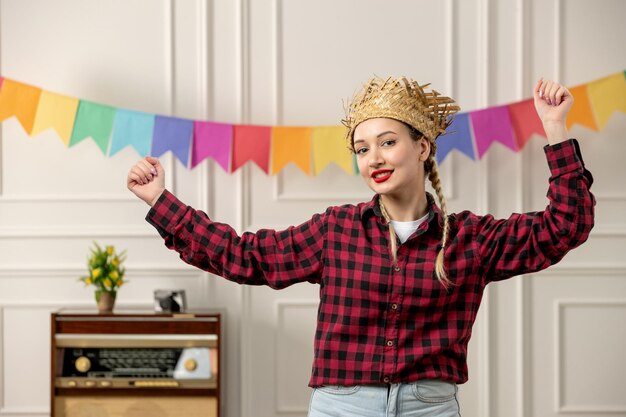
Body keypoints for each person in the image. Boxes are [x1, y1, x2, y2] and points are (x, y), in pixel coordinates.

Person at [127, 76, 595, 416]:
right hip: (341, 407)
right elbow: (244, 255)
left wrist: (554, 127)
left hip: (429, 408)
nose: (374, 158)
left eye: (387, 142)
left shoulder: (472, 238)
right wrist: (161, 202)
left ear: (423, 146)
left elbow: (563, 227)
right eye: (362, 148)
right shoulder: (335, 231)